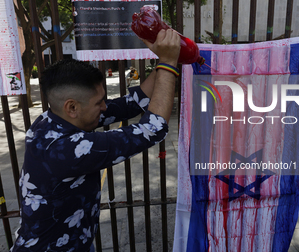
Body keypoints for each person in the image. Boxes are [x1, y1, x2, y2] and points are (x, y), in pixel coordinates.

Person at [11, 29, 180, 251]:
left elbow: (131, 104)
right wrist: (169, 62)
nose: (104, 107)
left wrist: (163, 56)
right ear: (72, 107)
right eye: (99, 102)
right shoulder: (66, 151)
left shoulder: (48, 121)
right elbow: (153, 128)